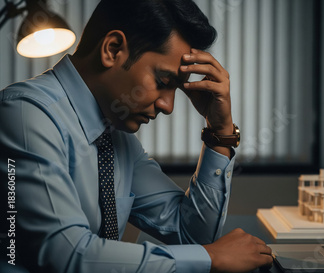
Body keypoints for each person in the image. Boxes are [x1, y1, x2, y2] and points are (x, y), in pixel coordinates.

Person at [0, 0, 273, 272]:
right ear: (113, 49)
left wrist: (220, 131)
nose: (168, 106)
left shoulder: (115, 138)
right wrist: (210, 258)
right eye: (163, 83)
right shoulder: (24, 114)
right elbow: (66, 254)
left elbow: (193, 236)